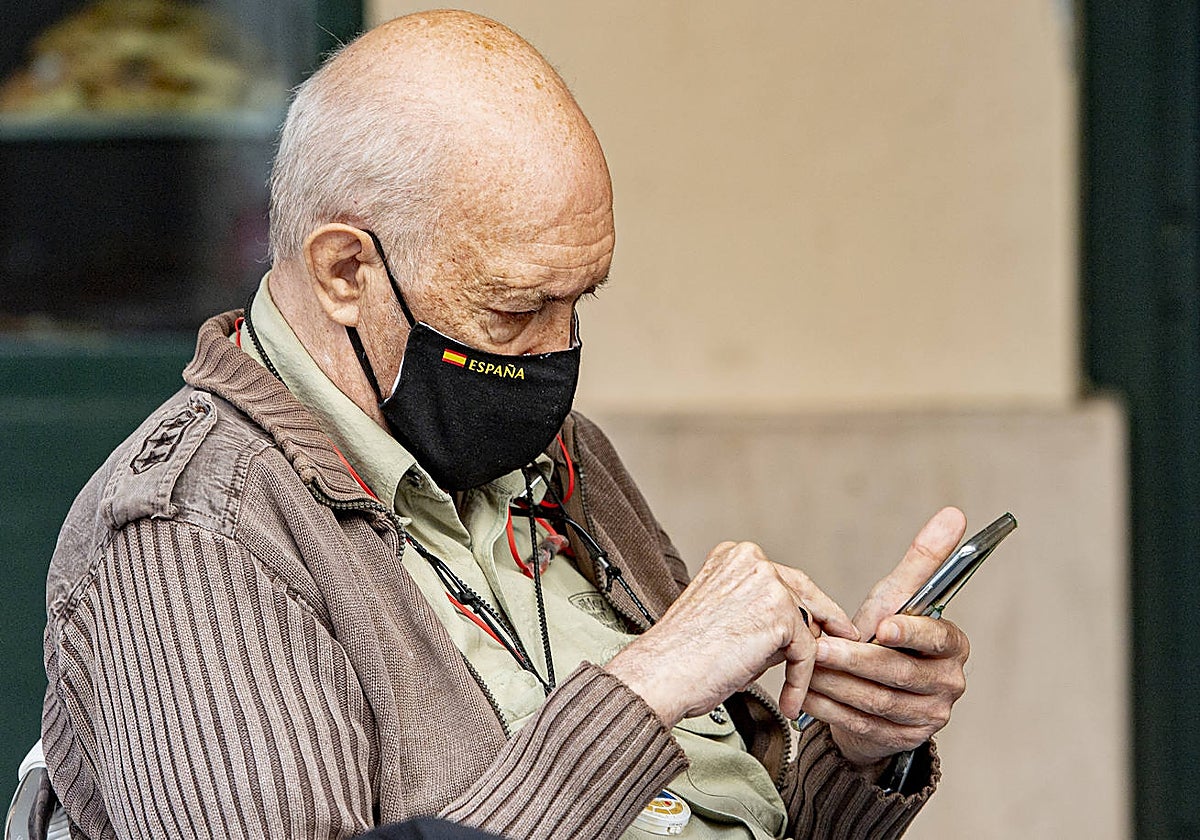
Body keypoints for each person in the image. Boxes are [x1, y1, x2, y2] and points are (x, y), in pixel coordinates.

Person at [39, 10, 971, 840]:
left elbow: (708, 811)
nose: (556, 354)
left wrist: (859, 752)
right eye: (517, 307)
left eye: (581, 299)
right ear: (345, 275)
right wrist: (645, 689)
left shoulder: (554, 458)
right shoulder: (189, 531)